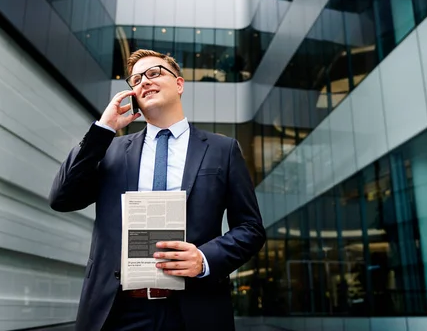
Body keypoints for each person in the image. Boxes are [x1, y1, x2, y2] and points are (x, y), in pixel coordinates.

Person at [48, 49, 266, 331]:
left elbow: (250, 228)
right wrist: (104, 128)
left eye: (154, 73)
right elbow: (61, 198)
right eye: (136, 79)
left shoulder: (222, 150)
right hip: (117, 311)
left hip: (194, 309)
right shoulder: (110, 150)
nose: (144, 81)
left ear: (179, 84)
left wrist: (203, 259)